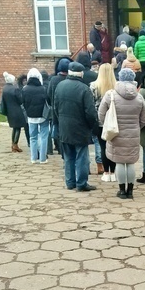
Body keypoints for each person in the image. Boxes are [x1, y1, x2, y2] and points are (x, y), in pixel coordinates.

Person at [98, 67, 145, 200]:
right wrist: (136, 127)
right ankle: (130, 191)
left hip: (116, 134)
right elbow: (144, 119)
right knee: (130, 162)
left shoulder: (110, 95)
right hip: (133, 134)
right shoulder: (139, 97)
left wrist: (107, 124)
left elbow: (101, 114)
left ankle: (121, 191)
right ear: (133, 79)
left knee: (119, 162)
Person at [53, 61, 98, 192]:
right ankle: (81, 183)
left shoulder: (60, 86)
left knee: (68, 157)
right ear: (81, 74)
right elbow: (90, 112)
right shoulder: (84, 89)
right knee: (81, 157)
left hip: (64, 127)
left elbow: (55, 107)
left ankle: (70, 182)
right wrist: (91, 126)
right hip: (80, 128)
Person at [90, 63, 117, 183]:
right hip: (114, 121)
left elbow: (91, 105)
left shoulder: (93, 86)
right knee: (114, 146)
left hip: (100, 122)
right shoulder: (117, 87)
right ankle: (114, 172)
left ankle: (106, 172)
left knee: (103, 147)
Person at [21, 68, 49, 164]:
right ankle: (42, 158)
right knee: (44, 137)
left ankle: (33, 158)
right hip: (43, 116)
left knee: (33, 137)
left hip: (31, 116)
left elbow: (23, 103)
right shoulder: (43, 89)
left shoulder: (24, 89)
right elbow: (47, 101)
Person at [48, 57, 72, 155]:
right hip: (69, 112)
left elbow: (49, 94)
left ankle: (60, 150)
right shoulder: (70, 80)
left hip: (56, 112)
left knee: (58, 132)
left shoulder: (54, 80)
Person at [0, 71, 27, 153]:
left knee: (14, 128)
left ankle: (13, 143)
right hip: (17, 111)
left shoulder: (5, 89)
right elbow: (20, 100)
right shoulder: (15, 89)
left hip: (9, 111)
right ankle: (15, 145)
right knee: (18, 128)